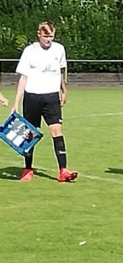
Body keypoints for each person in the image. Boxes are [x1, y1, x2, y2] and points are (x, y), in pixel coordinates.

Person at [12, 20, 77, 182]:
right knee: (30, 134)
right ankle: (28, 169)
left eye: (51, 36)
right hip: (32, 97)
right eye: (46, 36)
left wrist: (64, 90)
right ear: (39, 34)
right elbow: (23, 78)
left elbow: (59, 73)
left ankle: (63, 171)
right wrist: (15, 103)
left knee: (57, 131)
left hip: (51, 98)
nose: (48, 40)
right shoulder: (29, 51)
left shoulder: (59, 49)